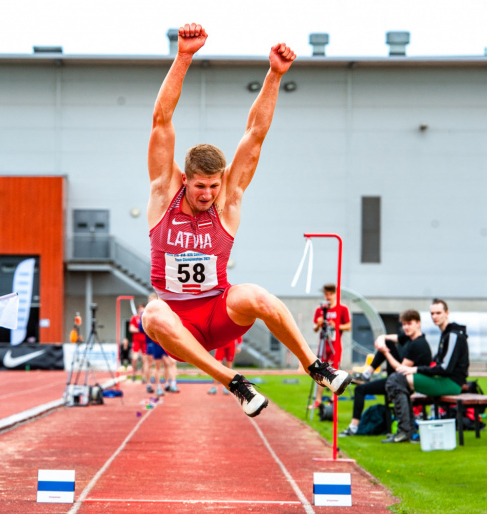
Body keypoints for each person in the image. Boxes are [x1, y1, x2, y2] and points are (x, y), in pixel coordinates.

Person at [141, 23, 351, 418]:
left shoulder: (227, 202)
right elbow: (161, 120)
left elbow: (255, 134)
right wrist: (184, 56)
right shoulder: (162, 196)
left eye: (214, 187)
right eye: (200, 187)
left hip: (219, 312)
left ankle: (316, 367)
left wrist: (274, 74)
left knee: (255, 294)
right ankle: (234, 382)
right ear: (185, 180)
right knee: (150, 312)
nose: (207, 195)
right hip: (177, 321)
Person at [384, 305, 470, 444]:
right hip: (442, 379)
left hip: (451, 383)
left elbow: (445, 369)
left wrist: (416, 369)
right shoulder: (446, 334)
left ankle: (405, 430)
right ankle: (408, 430)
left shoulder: (453, 334)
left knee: (395, 380)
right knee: (396, 380)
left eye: (438, 313)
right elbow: (438, 364)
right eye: (432, 313)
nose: (435, 316)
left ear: (446, 313)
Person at [340, 310, 432, 436]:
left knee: (360, 390)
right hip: (398, 378)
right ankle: (367, 374)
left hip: (404, 383)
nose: (405, 327)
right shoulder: (408, 338)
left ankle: (353, 428)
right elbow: (385, 337)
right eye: (404, 324)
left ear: (418, 323)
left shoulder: (418, 344)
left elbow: (401, 369)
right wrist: (381, 340)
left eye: (409, 324)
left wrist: (385, 352)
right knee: (388, 343)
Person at [312, 284, 351, 407]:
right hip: (323, 345)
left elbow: (348, 326)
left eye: (330, 294)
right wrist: (318, 324)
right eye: (326, 294)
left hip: (335, 344)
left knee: (335, 371)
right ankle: (318, 401)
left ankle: (332, 401)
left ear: (335, 294)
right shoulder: (320, 309)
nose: (328, 297)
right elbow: (314, 328)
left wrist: (336, 326)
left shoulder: (342, 309)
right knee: (320, 371)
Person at [129, 304, 149, 382]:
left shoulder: (146, 318)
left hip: (144, 341)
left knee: (144, 360)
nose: (141, 310)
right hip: (136, 341)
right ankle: (133, 374)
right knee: (135, 358)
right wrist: (140, 330)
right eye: (140, 309)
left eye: (142, 309)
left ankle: (143, 376)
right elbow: (131, 328)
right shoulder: (134, 318)